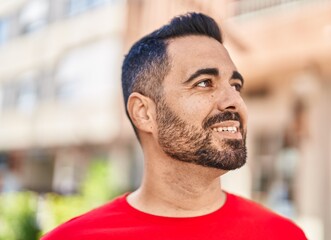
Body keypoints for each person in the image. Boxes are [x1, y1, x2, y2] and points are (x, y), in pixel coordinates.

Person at [42, 12, 307, 240]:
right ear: (144, 113)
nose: (234, 101)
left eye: (235, 86)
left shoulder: (282, 234)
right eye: (204, 83)